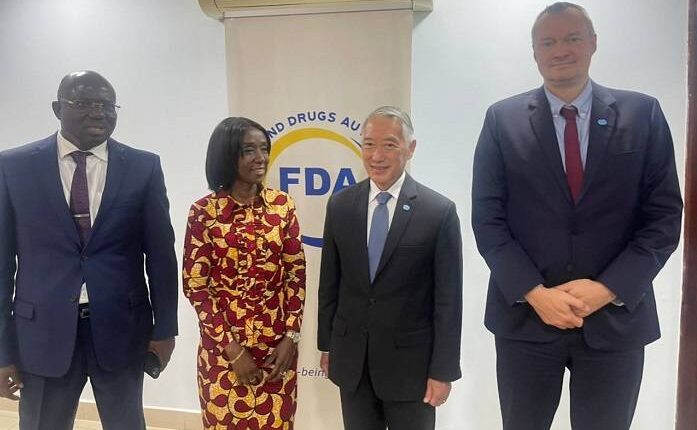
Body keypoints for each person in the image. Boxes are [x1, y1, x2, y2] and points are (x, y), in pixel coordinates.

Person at [471, 3, 683, 430]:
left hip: (615, 321)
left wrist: (607, 289)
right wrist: (535, 293)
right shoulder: (501, 120)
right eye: (548, 42)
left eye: (571, 38)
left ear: (593, 43)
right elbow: (488, 219)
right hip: (526, 321)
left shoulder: (642, 114)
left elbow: (663, 217)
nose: (560, 50)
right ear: (535, 52)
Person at [0, 70, 178, 429]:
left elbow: (161, 256)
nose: (99, 112)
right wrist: (2, 350)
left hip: (122, 328)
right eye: (84, 103)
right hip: (42, 332)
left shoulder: (143, 167)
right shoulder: (13, 167)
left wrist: (165, 329)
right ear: (57, 108)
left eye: (107, 105)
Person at [317, 106, 463, 430]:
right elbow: (329, 284)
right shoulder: (341, 205)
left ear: (410, 149)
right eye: (369, 144)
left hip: (412, 368)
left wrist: (443, 370)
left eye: (389, 145)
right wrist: (327, 346)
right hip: (353, 362)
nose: (377, 156)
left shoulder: (438, 212)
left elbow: (449, 302)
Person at [183, 117, 306, 429]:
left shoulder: (282, 206)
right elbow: (196, 287)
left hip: (276, 354)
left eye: (264, 149)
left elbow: (295, 275)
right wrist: (234, 351)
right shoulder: (203, 213)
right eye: (249, 150)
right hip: (223, 355)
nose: (260, 157)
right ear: (227, 155)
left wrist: (291, 337)